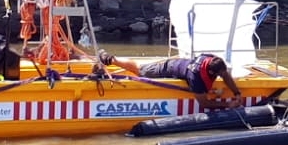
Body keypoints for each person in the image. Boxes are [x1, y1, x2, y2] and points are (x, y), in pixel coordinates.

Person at [99, 52, 242, 107]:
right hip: (168, 68)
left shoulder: (211, 59)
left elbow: (225, 75)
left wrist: (237, 93)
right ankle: (111, 59)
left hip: (181, 64)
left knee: (140, 68)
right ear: (211, 71)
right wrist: (227, 105)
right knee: (139, 69)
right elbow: (204, 103)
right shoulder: (196, 77)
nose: (222, 76)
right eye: (219, 74)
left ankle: (111, 59)